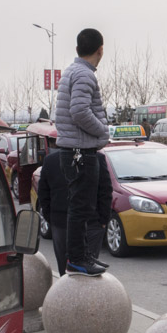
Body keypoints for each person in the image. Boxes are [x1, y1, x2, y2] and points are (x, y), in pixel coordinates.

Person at [55, 28, 110, 277]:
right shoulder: (84, 74)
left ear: (78, 49)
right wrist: (102, 133)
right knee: (81, 207)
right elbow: (79, 111)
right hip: (80, 151)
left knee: (81, 206)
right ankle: (77, 259)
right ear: (100, 50)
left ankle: (81, 257)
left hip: (73, 149)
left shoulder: (72, 71)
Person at [84, 152, 114, 264]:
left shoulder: (54, 159)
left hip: (64, 222)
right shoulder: (97, 157)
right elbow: (105, 190)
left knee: (67, 268)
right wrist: (103, 220)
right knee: (89, 262)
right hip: (91, 220)